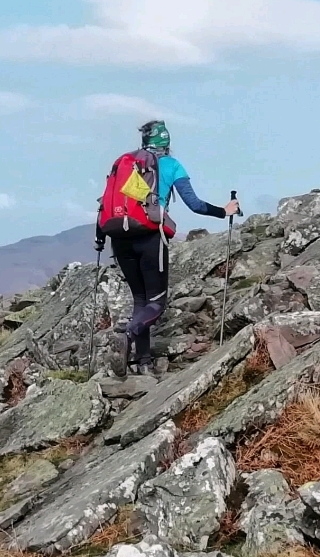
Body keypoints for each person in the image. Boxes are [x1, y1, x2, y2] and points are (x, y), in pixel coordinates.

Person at [94, 120, 240, 375]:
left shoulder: (126, 163)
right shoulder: (172, 166)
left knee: (140, 300)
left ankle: (144, 362)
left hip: (119, 236)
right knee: (156, 303)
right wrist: (224, 211)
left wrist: (100, 239)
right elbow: (194, 204)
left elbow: (106, 202)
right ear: (167, 143)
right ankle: (127, 335)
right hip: (151, 236)